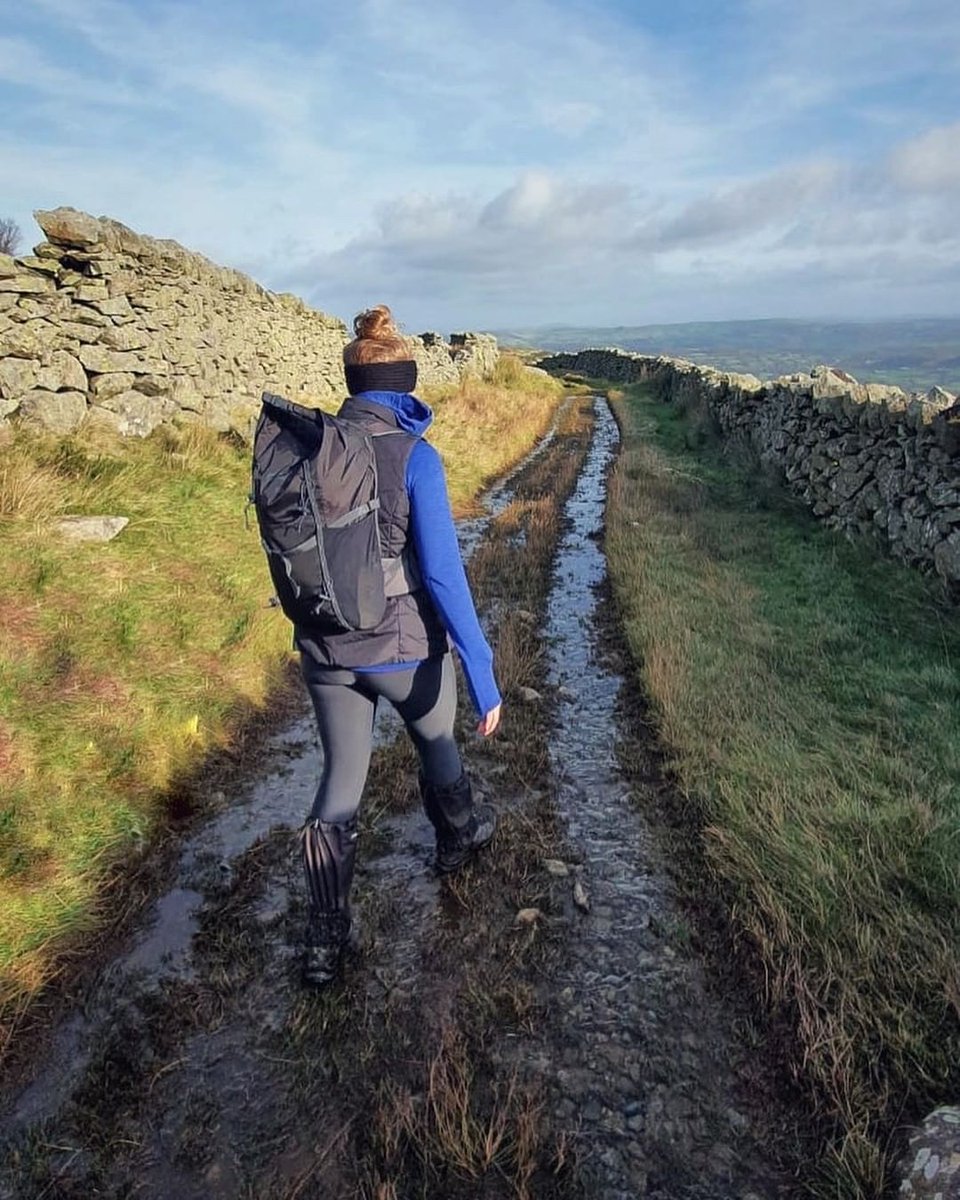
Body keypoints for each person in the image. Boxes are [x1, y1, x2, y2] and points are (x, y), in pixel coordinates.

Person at [295, 305, 502, 988]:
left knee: (340, 782)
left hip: (326, 649)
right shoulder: (417, 456)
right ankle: (456, 842)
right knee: (437, 740)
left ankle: (325, 942)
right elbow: (442, 573)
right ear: (405, 384)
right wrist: (480, 666)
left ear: (352, 385)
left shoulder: (308, 447)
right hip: (403, 647)